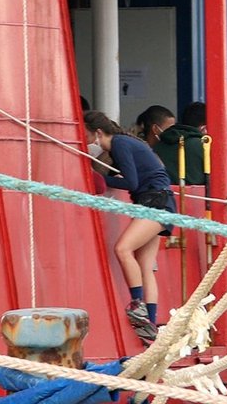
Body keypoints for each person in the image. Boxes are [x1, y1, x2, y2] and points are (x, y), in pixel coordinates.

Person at [84, 110, 174, 343]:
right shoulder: (127, 142)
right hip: (159, 201)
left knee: (122, 249)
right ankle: (151, 326)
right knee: (145, 265)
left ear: (98, 133)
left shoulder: (120, 144)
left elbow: (132, 182)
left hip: (154, 202)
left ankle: (137, 305)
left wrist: (98, 178)